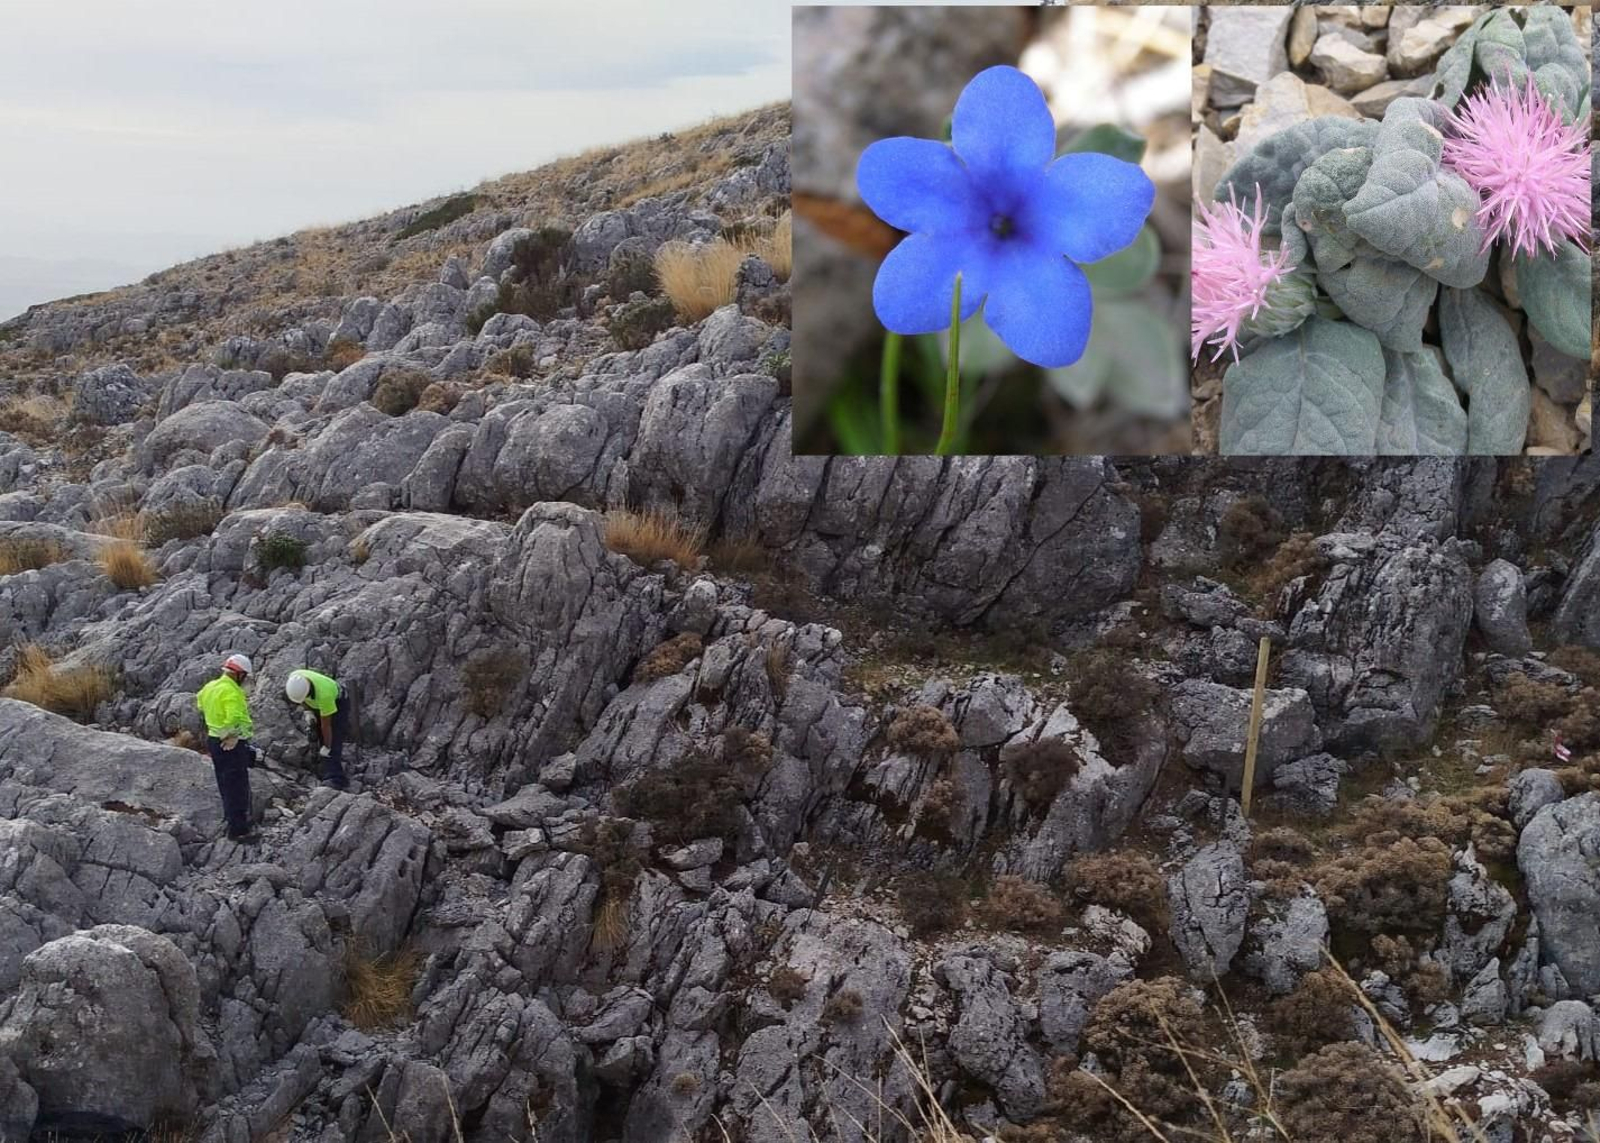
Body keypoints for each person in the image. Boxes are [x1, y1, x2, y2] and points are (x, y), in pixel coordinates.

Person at [196, 652, 260, 842]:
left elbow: (200, 704)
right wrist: (233, 734)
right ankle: (239, 830)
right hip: (231, 743)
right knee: (237, 786)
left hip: (215, 741)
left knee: (225, 783)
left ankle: (231, 819)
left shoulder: (210, 687)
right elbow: (234, 718)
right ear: (239, 674)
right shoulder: (232, 692)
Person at [284, 668, 350, 790]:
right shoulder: (295, 679)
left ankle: (337, 778)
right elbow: (302, 699)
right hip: (317, 702)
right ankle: (323, 767)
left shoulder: (325, 695)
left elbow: (327, 726)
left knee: (333, 738)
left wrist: (327, 747)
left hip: (338, 702)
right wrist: (308, 711)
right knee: (317, 734)